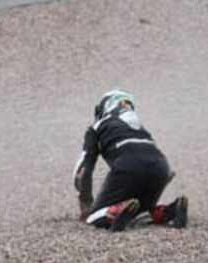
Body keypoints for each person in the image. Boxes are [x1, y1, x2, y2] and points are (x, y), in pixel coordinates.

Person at [74, 89, 187, 232]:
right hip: (161, 166)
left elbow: (83, 171)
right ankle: (169, 210)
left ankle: (115, 211)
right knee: (140, 211)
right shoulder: (139, 127)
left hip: (128, 165)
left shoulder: (97, 127)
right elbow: (160, 166)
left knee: (94, 217)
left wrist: (86, 204)